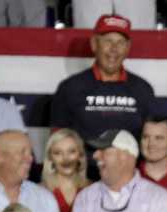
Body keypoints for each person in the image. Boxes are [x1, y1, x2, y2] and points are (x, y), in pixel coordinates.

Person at [49, 15, 154, 144]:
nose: (114, 49)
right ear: (94, 44)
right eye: (108, 41)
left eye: (120, 42)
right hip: (84, 164)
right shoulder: (70, 88)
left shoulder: (143, 89)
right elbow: (57, 143)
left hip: (131, 164)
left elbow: (153, 140)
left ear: (128, 48)